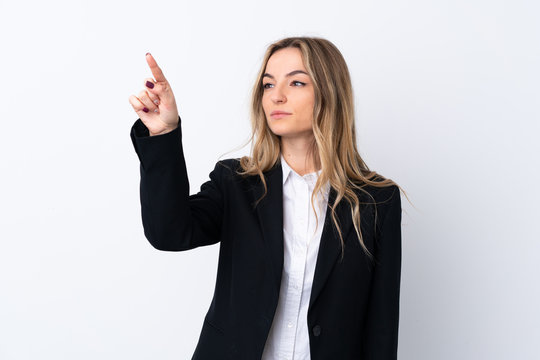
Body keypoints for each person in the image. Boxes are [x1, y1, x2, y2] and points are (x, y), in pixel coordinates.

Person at [128, 37, 402, 360]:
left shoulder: (376, 201)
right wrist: (163, 135)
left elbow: (381, 330)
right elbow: (168, 232)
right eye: (268, 85)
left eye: (296, 82)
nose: (277, 96)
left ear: (330, 93)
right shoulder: (236, 184)